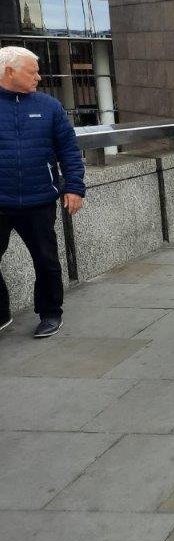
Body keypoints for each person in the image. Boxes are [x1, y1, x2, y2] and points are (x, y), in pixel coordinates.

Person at [0, 46, 85, 338]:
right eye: (32, 72)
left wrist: (74, 187)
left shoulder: (49, 107)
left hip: (39, 200)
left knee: (46, 261)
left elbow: (69, 150)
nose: (38, 77)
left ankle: (50, 313)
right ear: (9, 72)